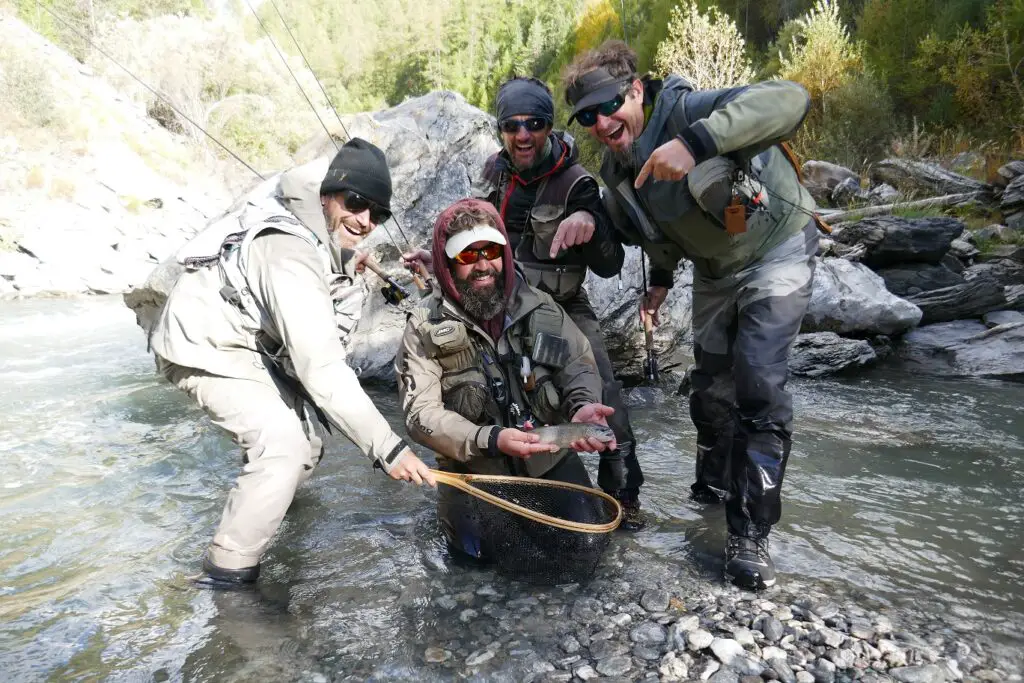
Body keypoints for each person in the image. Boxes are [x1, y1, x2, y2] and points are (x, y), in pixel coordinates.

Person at [562, 41, 820, 590]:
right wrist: (657, 284)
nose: (602, 122)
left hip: (776, 251)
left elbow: (790, 99)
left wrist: (695, 142)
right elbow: (659, 230)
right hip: (713, 273)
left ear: (635, 90)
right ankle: (712, 492)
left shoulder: (689, 110)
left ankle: (749, 535)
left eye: (609, 106)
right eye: (587, 117)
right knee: (709, 391)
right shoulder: (618, 168)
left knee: (758, 383)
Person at [150, 138, 435, 587]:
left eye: (376, 214)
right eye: (355, 202)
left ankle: (263, 507)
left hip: (245, 343)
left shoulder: (322, 242)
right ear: (327, 196)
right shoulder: (290, 252)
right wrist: (389, 447)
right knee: (283, 447)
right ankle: (226, 576)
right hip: (201, 343)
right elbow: (320, 367)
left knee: (310, 443)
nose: (364, 221)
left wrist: (344, 273)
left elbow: (327, 341)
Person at [403, 76, 647, 530]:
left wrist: (590, 223)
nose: (522, 135)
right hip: (499, 302)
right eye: (512, 125)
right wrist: (438, 259)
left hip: (562, 307)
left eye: (534, 124)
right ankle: (492, 472)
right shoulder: (496, 173)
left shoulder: (577, 183)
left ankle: (623, 496)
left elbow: (611, 264)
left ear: (549, 127)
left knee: (605, 398)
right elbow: (478, 237)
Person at [395, 198, 617, 560]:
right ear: (447, 264)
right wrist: (491, 439)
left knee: (589, 549)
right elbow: (420, 416)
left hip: (549, 463)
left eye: (491, 251)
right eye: (468, 256)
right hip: (476, 475)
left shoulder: (542, 307)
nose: (483, 265)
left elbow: (578, 363)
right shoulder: (423, 326)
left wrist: (583, 404)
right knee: (475, 561)